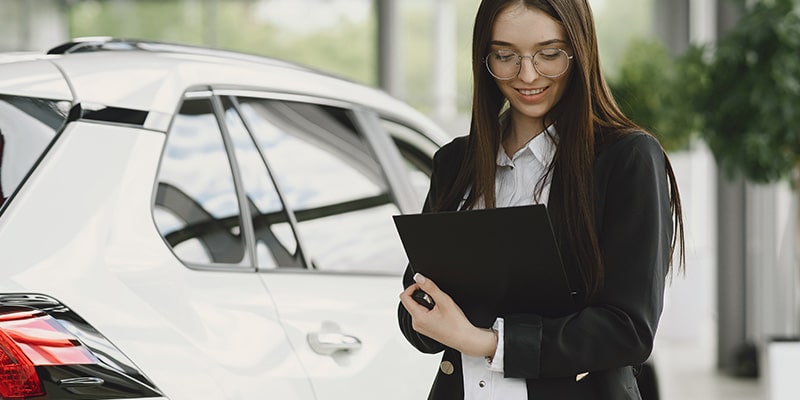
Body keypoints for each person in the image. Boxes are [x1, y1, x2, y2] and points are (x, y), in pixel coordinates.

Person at [397, 0, 686, 399]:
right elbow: (418, 312)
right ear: (485, 58)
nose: (527, 74)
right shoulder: (455, 161)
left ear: (579, 50)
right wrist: (423, 315)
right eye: (505, 56)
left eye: (549, 54)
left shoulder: (626, 159)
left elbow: (628, 330)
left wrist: (486, 342)